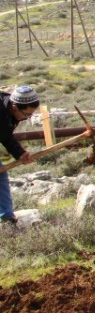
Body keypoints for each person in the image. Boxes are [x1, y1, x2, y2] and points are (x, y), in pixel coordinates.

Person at [1, 86, 38, 224]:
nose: (28, 118)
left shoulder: (9, 111)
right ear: (15, 107)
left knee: (0, 177)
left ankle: (6, 218)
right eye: (27, 115)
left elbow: (5, 135)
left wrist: (20, 153)